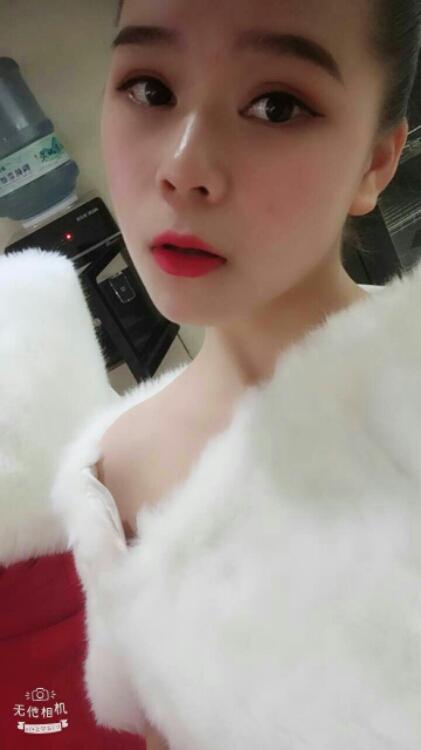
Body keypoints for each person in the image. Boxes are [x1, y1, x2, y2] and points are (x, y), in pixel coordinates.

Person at [50, 0, 421, 748]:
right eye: (150, 89)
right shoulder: (113, 479)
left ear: (375, 163)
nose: (181, 168)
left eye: (276, 105)